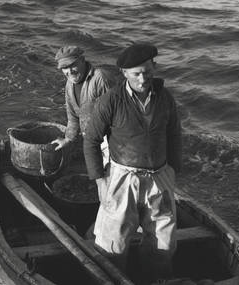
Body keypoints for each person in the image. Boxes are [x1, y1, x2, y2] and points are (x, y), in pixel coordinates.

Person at [83, 43, 182, 283]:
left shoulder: (165, 98)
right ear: (124, 74)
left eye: (147, 71)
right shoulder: (110, 101)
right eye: (136, 73)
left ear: (154, 68)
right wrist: (99, 179)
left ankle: (154, 278)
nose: (142, 78)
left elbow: (174, 135)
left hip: (159, 176)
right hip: (122, 177)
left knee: (164, 242)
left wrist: (172, 170)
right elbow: (91, 141)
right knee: (113, 242)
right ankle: (114, 279)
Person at [51, 45, 114, 165]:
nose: (69, 71)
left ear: (82, 60)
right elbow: (73, 116)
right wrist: (68, 139)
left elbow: (118, 114)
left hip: (111, 139)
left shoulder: (100, 78)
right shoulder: (70, 84)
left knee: (111, 176)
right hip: (91, 139)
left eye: (72, 65)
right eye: (64, 67)